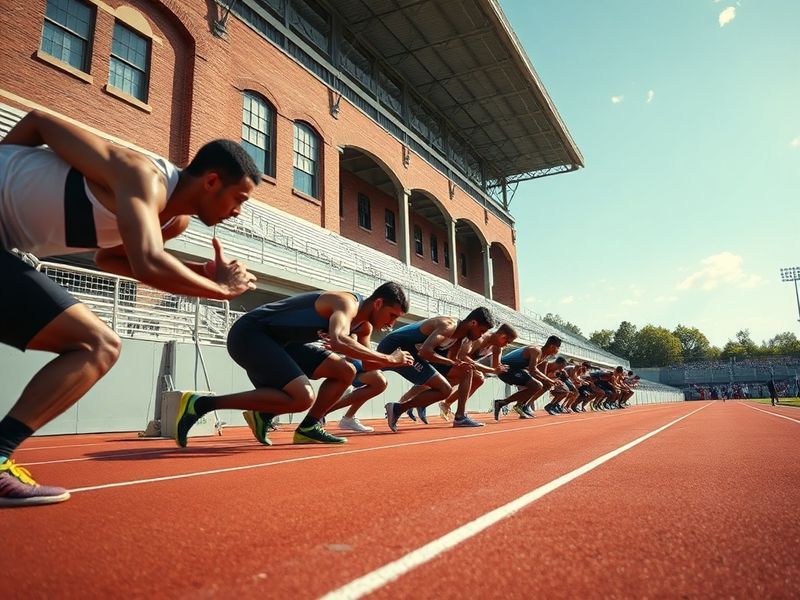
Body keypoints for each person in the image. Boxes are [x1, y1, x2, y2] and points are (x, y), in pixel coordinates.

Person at [0, 110, 259, 506]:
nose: (237, 212)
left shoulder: (173, 222)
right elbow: (39, 121)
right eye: (238, 199)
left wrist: (203, 272)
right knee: (96, 345)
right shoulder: (143, 177)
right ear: (211, 182)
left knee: (96, 345)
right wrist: (220, 289)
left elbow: (114, 261)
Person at [175, 282, 413, 446]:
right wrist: (388, 358)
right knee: (303, 398)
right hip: (250, 334)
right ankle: (201, 404)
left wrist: (392, 364)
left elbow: (364, 365)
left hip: (283, 343)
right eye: (392, 316)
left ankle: (307, 428)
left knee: (345, 371)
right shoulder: (346, 303)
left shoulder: (364, 327)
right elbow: (340, 340)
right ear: (379, 303)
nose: (391, 324)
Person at [378, 307, 495, 431]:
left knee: (465, 372)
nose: (481, 336)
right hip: (394, 348)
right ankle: (400, 407)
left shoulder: (460, 336)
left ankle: (459, 417)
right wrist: (451, 362)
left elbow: (452, 358)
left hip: (412, 353)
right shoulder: (448, 325)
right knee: (444, 388)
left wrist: (460, 364)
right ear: (473, 323)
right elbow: (425, 352)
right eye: (481, 331)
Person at [493, 335, 562, 420]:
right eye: (558, 348)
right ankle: (506, 403)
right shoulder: (536, 351)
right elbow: (533, 371)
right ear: (552, 346)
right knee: (537, 385)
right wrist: (548, 380)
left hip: (515, 370)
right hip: (505, 369)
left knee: (537, 385)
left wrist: (549, 381)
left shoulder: (544, 356)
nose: (558, 350)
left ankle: (517, 405)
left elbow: (533, 370)